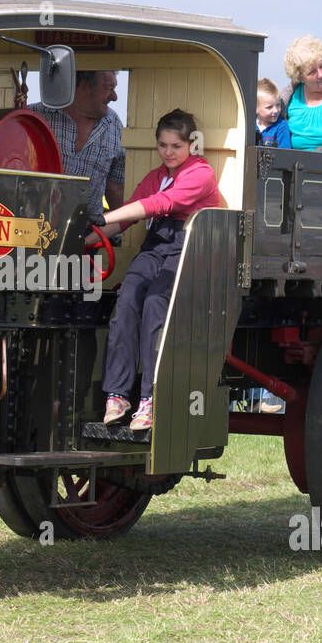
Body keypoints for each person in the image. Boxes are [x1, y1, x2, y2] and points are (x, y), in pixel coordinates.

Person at [91, 109, 223, 431]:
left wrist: (102, 218)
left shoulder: (201, 173)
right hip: (156, 243)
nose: (168, 152)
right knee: (127, 301)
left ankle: (150, 399)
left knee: (155, 304)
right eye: (163, 145)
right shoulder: (154, 176)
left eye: (175, 146)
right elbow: (126, 218)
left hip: (189, 246)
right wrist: (85, 237)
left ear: (191, 144)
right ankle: (118, 395)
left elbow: (161, 205)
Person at [30, 70, 125, 217]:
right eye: (109, 88)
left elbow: (115, 187)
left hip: (89, 232)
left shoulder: (114, 125)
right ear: (85, 86)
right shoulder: (33, 117)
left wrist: (121, 232)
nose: (115, 97)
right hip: (29, 228)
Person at [256, 77, 291, 148]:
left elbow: (285, 152)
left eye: (278, 105)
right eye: (269, 107)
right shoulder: (250, 126)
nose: (275, 111)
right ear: (256, 108)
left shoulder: (281, 126)